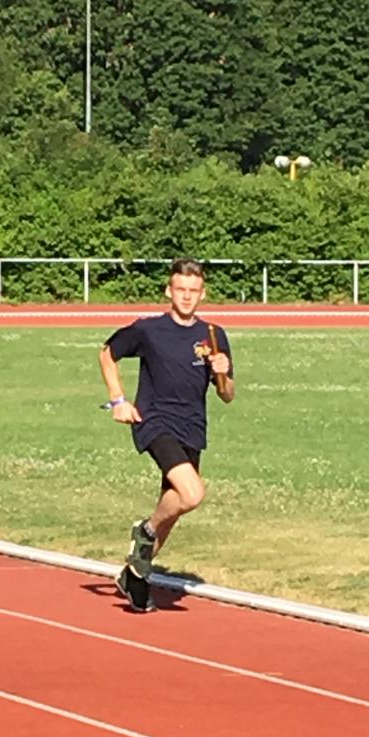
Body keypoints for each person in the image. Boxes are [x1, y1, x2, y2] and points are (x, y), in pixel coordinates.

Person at [99, 258, 235, 612]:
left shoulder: (213, 335)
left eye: (193, 291)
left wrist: (223, 372)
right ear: (168, 291)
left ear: (203, 294)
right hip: (155, 421)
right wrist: (118, 401)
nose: (187, 296)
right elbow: (107, 354)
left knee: (172, 510)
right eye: (180, 290)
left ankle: (135, 576)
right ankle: (145, 530)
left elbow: (227, 394)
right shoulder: (149, 330)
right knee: (192, 494)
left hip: (193, 427)